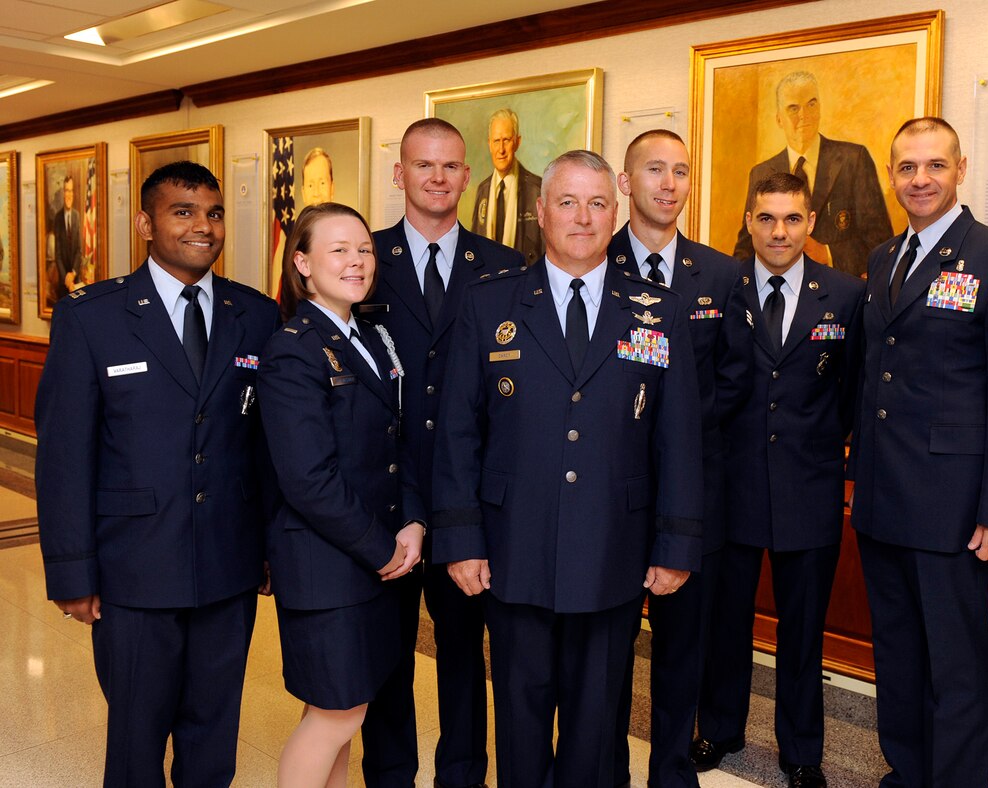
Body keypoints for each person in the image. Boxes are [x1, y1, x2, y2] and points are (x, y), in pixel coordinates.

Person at [432, 149, 703, 787]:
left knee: (598, 717)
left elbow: (679, 439)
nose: (583, 217)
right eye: (568, 202)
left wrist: (677, 545)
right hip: (512, 544)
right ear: (540, 212)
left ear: (618, 211)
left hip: (616, 545)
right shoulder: (488, 305)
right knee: (519, 713)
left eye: (598, 203)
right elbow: (458, 433)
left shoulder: (658, 310)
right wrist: (462, 538)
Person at [34, 161, 280, 787]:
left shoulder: (255, 315)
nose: (204, 227)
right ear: (146, 222)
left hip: (227, 566)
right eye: (184, 212)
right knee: (136, 740)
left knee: (214, 733)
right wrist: (71, 570)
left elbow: (266, 446)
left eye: (214, 213)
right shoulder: (93, 317)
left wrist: (272, 549)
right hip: (134, 571)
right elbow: (64, 454)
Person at [848, 117, 988, 787]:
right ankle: (909, 771)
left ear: (960, 169)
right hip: (882, 500)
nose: (920, 179)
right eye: (907, 167)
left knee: (957, 662)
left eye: (934, 165)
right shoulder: (883, 259)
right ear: (891, 175)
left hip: (955, 510)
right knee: (899, 653)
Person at [692, 172, 864, 788]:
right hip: (731, 488)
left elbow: (854, 393)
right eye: (766, 218)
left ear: (811, 222)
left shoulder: (845, 295)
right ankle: (719, 727)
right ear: (747, 220)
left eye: (792, 218)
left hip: (809, 488)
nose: (779, 231)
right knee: (726, 623)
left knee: (802, 634)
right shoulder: (720, 287)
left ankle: (801, 752)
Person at [365, 118, 522, 788]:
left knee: (464, 657)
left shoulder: (507, 267)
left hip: (468, 505)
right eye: (422, 165)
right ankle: (390, 776)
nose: (437, 177)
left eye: (450, 166)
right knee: (385, 659)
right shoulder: (362, 259)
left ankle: (462, 775)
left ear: (467, 176)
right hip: (382, 503)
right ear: (399, 173)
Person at [258, 202, 425, 788]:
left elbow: (395, 441)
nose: (357, 261)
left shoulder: (368, 336)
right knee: (338, 713)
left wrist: (412, 522)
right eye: (339, 250)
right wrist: (381, 548)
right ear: (301, 262)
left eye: (364, 249)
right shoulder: (293, 349)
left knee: (341, 711)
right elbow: (308, 478)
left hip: (371, 560)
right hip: (328, 565)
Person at [608, 129, 753, 788]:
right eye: (655, 170)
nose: (669, 184)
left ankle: (671, 772)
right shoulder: (586, 262)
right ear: (625, 181)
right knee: (602, 651)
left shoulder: (722, 275)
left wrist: (669, 435)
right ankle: (600, 766)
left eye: (682, 172)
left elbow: (735, 377)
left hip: (691, 497)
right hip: (604, 494)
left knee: (681, 647)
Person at [733, 71, 892, 278]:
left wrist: (827, 253)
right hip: (778, 298)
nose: (804, 115)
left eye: (811, 104)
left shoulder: (853, 160)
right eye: (793, 108)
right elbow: (746, 246)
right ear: (779, 119)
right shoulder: (761, 173)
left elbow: (881, 243)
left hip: (839, 295)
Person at [471, 108, 543, 266]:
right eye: (496, 141)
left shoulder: (537, 190)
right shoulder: (483, 190)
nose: (501, 149)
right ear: (489, 144)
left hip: (525, 284)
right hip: (488, 285)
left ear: (517, 142)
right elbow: (474, 247)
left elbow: (547, 251)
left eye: (506, 140)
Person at [271, 147, 336, 292]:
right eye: (311, 185)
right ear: (303, 192)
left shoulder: (347, 233)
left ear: (332, 187)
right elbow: (288, 293)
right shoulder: (293, 239)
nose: (317, 193)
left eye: (323, 183)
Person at [52, 173, 82, 301]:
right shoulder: (57, 219)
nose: (69, 194)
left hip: (76, 279)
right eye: (66, 191)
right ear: (63, 193)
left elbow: (79, 250)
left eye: (71, 191)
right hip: (64, 284)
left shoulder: (77, 216)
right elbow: (57, 254)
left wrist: (73, 274)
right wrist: (67, 279)